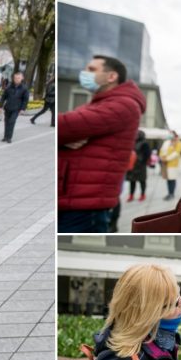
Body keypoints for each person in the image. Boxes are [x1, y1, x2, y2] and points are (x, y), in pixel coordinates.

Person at [58, 56, 146, 233]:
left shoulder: (122, 104)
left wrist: (65, 139)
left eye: (91, 69)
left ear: (111, 76)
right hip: (74, 197)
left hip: (84, 205)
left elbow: (64, 126)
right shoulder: (100, 102)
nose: (84, 73)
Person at [0, 71, 29, 143]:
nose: (16, 79)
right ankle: (5, 136)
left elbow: (25, 100)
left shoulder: (24, 88)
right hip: (8, 107)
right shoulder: (9, 87)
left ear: (22, 78)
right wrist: (0, 106)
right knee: (6, 122)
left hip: (16, 108)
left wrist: (23, 109)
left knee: (11, 122)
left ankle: (9, 137)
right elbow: (3, 97)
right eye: (15, 78)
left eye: (18, 78)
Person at [126, 130, 151, 202]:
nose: (135, 136)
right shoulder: (132, 142)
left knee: (142, 181)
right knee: (132, 181)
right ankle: (131, 195)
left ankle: (142, 194)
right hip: (132, 165)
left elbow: (147, 154)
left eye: (137, 134)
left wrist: (142, 162)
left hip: (141, 165)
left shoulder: (144, 143)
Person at [159, 131, 181, 201]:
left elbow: (176, 153)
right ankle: (169, 193)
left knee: (172, 179)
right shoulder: (166, 142)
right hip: (165, 164)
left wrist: (166, 159)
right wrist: (161, 157)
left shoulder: (178, 143)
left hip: (172, 165)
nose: (169, 136)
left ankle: (171, 194)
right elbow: (161, 150)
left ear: (175, 135)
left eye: (171, 134)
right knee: (168, 179)